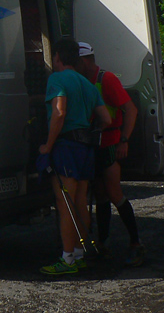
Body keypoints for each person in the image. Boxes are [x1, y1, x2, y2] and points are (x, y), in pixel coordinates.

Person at [39, 38, 112, 276]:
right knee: (80, 202)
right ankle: (79, 254)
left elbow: (59, 112)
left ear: (58, 56)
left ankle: (67, 258)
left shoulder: (57, 79)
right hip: (85, 149)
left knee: (65, 204)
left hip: (66, 147)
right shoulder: (87, 84)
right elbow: (106, 119)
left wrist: (48, 146)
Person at [74, 42, 145, 267]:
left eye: (76, 62)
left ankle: (136, 243)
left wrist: (124, 140)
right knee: (100, 194)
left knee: (114, 193)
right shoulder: (82, 79)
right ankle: (103, 243)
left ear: (84, 60)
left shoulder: (106, 79)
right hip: (92, 143)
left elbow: (131, 109)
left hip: (110, 143)